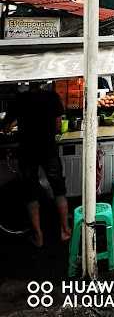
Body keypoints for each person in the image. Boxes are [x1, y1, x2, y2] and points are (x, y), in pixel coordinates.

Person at [1, 82, 70, 246]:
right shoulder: (52, 96)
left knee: (30, 193)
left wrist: (20, 123)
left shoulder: (19, 99)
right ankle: (65, 231)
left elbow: (7, 127)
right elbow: (59, 124)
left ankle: (39, 236)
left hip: (27, 151)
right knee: (59, 190)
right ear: (42, 82)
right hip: (49, 149)